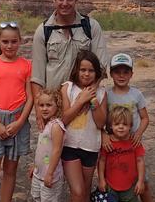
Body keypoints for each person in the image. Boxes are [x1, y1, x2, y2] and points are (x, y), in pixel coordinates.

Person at [32, 0, 108, 130]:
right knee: (54, 152)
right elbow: (37, 76)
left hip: (85, 104)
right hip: (54, 106)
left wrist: (86, 97)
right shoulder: (43, 30)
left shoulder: (91, 27)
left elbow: (101, 67)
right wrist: (39, 109)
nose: (65, 3)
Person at [0, 21, 34, 202]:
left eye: (13, 41)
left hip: (17, 121)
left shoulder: (26, 65)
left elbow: (30, 97)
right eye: (5, 42)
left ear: (20, 42)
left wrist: (19, 123)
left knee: (10, 172)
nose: (9, 46)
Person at [102, 53, 152, 202]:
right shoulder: (107, 95)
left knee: (143, 181)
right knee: (115, 177)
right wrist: (104, 134)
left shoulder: (136, 94)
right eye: (117, 72)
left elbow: (145, 118)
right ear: (111, 74)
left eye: (126, 72)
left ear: (131, 74)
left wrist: (139, 133)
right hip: (113, 144)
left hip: (133, 143)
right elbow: (100, 120)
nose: (121, 76)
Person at [61, 50, 108, 202]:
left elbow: (101, 123)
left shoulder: (101, 93)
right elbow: (64, 119)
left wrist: (93, 100)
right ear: (76, 70)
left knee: (85, 192)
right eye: (83, 70)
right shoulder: (68, 88)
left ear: (96, 73)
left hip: (91, 147)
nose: (86, 74)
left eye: (91, 70)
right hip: (70, 146)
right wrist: (81, 100)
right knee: (78, 191)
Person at [98, 106, 146, 202]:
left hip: (130, 188)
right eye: (117, 124)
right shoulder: (107, 143)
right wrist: (101, 180)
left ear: (130, 126)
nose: (121, 126)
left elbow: (140, 161)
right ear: (111, 125)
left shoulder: (134, 142)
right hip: (110, 186)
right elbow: (101, 161)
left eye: (124, 124)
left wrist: (141, 181)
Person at [30, 89, 66, 202]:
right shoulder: (46, 124)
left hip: (50, 175)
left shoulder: (56, 126)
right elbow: (43, 150)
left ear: (57, 106)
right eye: (41, 105)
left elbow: (56, 150)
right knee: (37, 197)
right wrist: (35, 166)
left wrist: (50, 174)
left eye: (49, 105)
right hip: (39, 174)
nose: (44, 108)